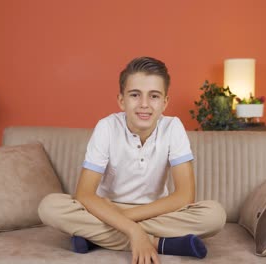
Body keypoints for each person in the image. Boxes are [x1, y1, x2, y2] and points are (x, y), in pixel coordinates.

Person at [38, 57, 226, 264]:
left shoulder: (173, 127)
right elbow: (85, 194)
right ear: (121, 100)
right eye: (135, 95)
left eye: (154, 96)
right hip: (107, 206)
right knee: (50, 207)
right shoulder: (107, 127)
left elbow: (184, 196)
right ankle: (160, 243)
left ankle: (95, 237)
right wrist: (133, 231)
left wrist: (122, 218)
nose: (144, 104)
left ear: (165, 102)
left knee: (214, 215)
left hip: (151, 210)